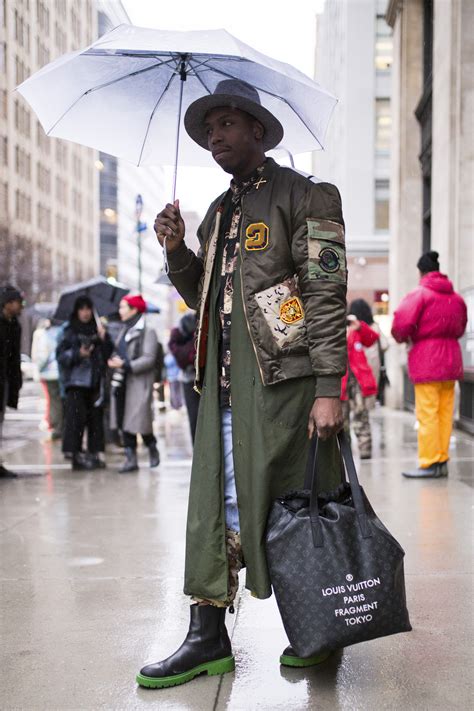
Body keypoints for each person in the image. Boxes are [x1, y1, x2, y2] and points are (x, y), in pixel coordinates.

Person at [137, 79, 347, 689]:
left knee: (297, 505)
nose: (214, 138)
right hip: (219, 389)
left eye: (226, 125)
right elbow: (205, 298)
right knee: (215, 508)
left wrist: (329, 385)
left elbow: (326, 296)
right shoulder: (218, 213)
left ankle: (320, 627)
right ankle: (207, 637)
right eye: (207, 131)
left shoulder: (308, 198)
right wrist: (178, 251)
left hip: (288, 388)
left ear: (258, 129)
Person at [392, 250, 467, 478]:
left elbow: (400, 325)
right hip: (451, 360)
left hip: (427, 361)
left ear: (421, 271)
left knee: (427, 414)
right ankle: (441, 460)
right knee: (445, 413)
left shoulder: (420, 294)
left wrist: (405, 338)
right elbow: (462, 327)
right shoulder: (456, 298)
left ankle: (429, 462)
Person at [56, 296, 112, 471]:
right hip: (76, 383)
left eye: (88, 308)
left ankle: (95, 454)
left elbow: (107, 355)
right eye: (82, 309)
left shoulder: (99, 329)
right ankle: (75, 455)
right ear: (77, 311)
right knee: (75, 421)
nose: (86, 313)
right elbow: (60, 356)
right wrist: (78, 354)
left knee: (95, 420)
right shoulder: (69, 331)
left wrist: (104, 339)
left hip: (95, 382)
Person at [109, 294, 160, 473]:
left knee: (140, 422)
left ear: (134, 310)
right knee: (124, 421)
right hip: (122, 382)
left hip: (139, 383)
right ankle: (131, 459)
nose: (120, 311)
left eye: (123, 307)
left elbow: (149, 359)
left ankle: (152, 446)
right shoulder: (125, 330)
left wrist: (126, 364)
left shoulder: (148, 331)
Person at [341, 315, 380, 459]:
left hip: (357, 382)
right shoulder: (334, 332)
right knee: (341, 420)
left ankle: (365, 449)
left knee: (361, 416)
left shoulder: (356, 331)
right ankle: (344, 451)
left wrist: (360, 326)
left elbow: (372, 338)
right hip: (341, 383)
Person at [0, 285, 24, 478]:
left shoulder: (14, 325)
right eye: (18, 302)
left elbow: (13, 357)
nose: (21, 306)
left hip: (5, 380)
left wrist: (16, 380)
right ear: (8, 303)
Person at [349, 298, 389, 404]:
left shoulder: (350, 327)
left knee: (355, 393)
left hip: (354, 365)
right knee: (368, 394)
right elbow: (385, 345)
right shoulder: (374, 327)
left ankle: (358, 411)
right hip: (372, 364)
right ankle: (364, 414)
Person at [168, 312, 200, 442]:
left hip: (191, 379)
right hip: (192, 379)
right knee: (196, 418)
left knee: (195, 418)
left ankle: (197, 449)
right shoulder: (184, 332)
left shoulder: (178, 339)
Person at [31, 318, 63, 440]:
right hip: (60, 371)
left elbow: (43, 355)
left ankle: (56, 426)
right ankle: (60, 425)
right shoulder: (62, 331)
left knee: (53, 401)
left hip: (49, 372)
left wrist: (38, 368)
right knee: (59, 400)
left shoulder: (46, 334)